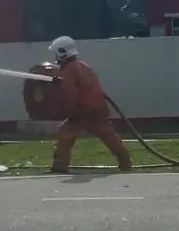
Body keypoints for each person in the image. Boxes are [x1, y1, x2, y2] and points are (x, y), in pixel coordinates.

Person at [46, 36, 132, 175]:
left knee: (65, 134)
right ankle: (125, 162)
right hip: (98, 108)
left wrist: (70, 111)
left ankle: (60, 166)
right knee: (109, 135)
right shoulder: (83, 65)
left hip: (82, 110)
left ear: (62, 52)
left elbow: (69, 91)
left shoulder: (69, 69)